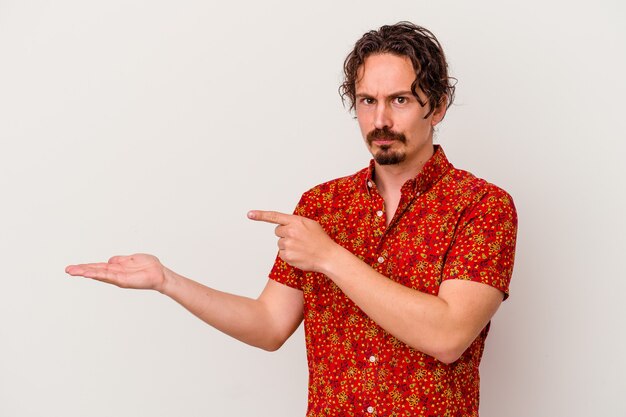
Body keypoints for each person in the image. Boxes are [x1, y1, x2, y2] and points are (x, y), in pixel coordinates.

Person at [66, 22, 517, 417]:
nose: (380, 119)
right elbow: (268, 325)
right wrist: (167, 280)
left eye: (399, 99)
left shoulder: (482, 206)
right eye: (366, 100)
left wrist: (329, 257)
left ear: (436, 107)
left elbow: (448, 334)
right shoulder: (322, 205)